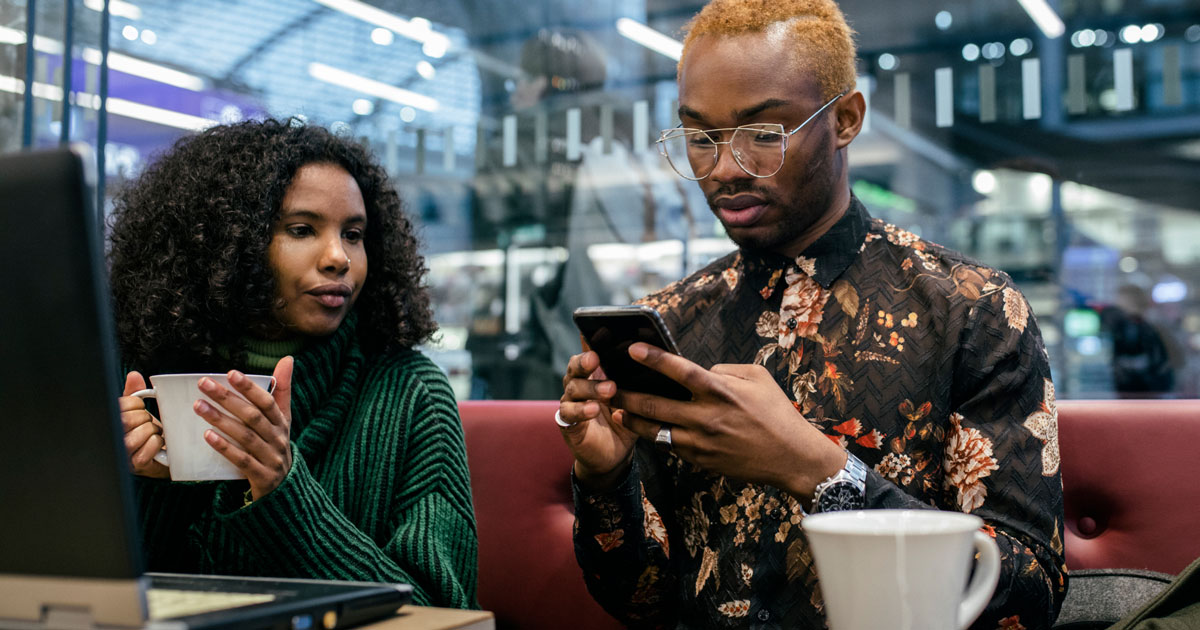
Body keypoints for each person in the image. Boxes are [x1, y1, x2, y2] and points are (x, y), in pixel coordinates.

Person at [557, 1, 1067, 628]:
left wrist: (817, 470)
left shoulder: (972, 311)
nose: (722, 170)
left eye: (763, 136)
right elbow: (639, 601)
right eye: (700, 138)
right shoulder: (672, 324)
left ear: (846, 119)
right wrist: (603, 477)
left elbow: (1029, 597)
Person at [108, 119, 478, 609]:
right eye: (302, 230)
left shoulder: (411, 391)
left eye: (354, 234)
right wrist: (137, 482)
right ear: (226, 243)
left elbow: (440, 610)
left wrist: (283, 494)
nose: (338, 258)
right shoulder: (140, 378)